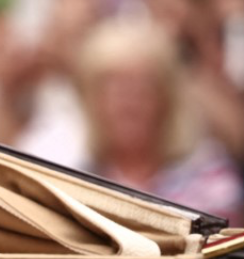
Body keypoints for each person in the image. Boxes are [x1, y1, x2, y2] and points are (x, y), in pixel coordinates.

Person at [76, 16, 244, 225]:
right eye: (113, 87)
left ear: (166, 96)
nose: (128, 101)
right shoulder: (69, 177)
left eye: (141, 86)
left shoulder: (210, 177)